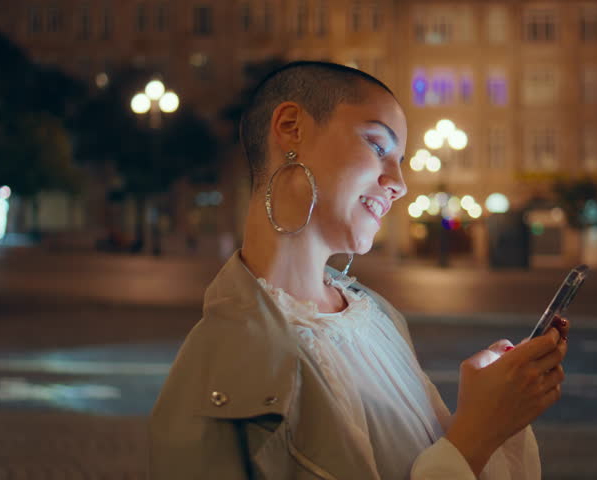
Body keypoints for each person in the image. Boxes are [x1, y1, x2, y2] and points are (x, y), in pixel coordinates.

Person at [150, 61, 570, 479]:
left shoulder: (376, 317)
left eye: (401, 160)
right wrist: (476, 435)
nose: (400, 183)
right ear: (291, 127)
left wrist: (491, 414)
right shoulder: (217, 373)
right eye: (377, 146)